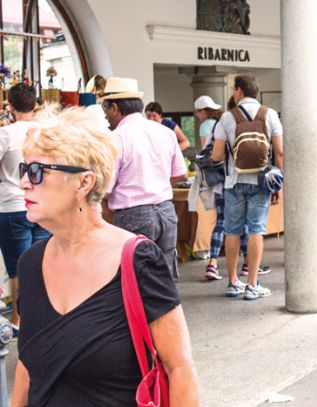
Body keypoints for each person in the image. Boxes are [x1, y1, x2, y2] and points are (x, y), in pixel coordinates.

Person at [12, 105, 199, 406]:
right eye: (24, 170)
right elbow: (27, 368)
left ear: (84, 183)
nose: (23, 182)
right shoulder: (31, 263)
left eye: (37, 172)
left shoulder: (138, 260)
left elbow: (179, 368)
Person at [102, 77, 187, 282]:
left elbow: (105, 188)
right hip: (166, 212)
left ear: (114, 107)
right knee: (164, 278)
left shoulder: (117, 137)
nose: (106, 116)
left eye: (106, 110)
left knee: (134, 279)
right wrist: (156, 184)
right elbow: (181, 174)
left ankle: (139, 316)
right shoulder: (165, 132)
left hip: (133, 214)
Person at [212, 74, 283, 300]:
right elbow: (279, 152)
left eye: (234, 89)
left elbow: (215, 155)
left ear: (239, 91)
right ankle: (252, 284)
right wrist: (278, 182)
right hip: (261, 182)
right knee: (256, 230)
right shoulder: (269, 114)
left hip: (234, 182)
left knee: (232, 231)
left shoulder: (227, 117)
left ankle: (234, 282)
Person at [194, 95, 270, 280]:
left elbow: (213, 154)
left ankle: (219, 267)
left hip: (223, 181)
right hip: (244, 179)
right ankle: (248, 267)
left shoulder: (221, 123)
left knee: (225, 223)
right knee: (248, 226)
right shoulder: (246, 120)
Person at [0, 83, 50, 336]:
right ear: (35, 105)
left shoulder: (5, 134)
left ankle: (20, 320)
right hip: (44, 204)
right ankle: (43, 317)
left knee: (18, 267)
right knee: (42, 262)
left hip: (12, 206)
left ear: (9, 106)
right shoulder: (47, 132)